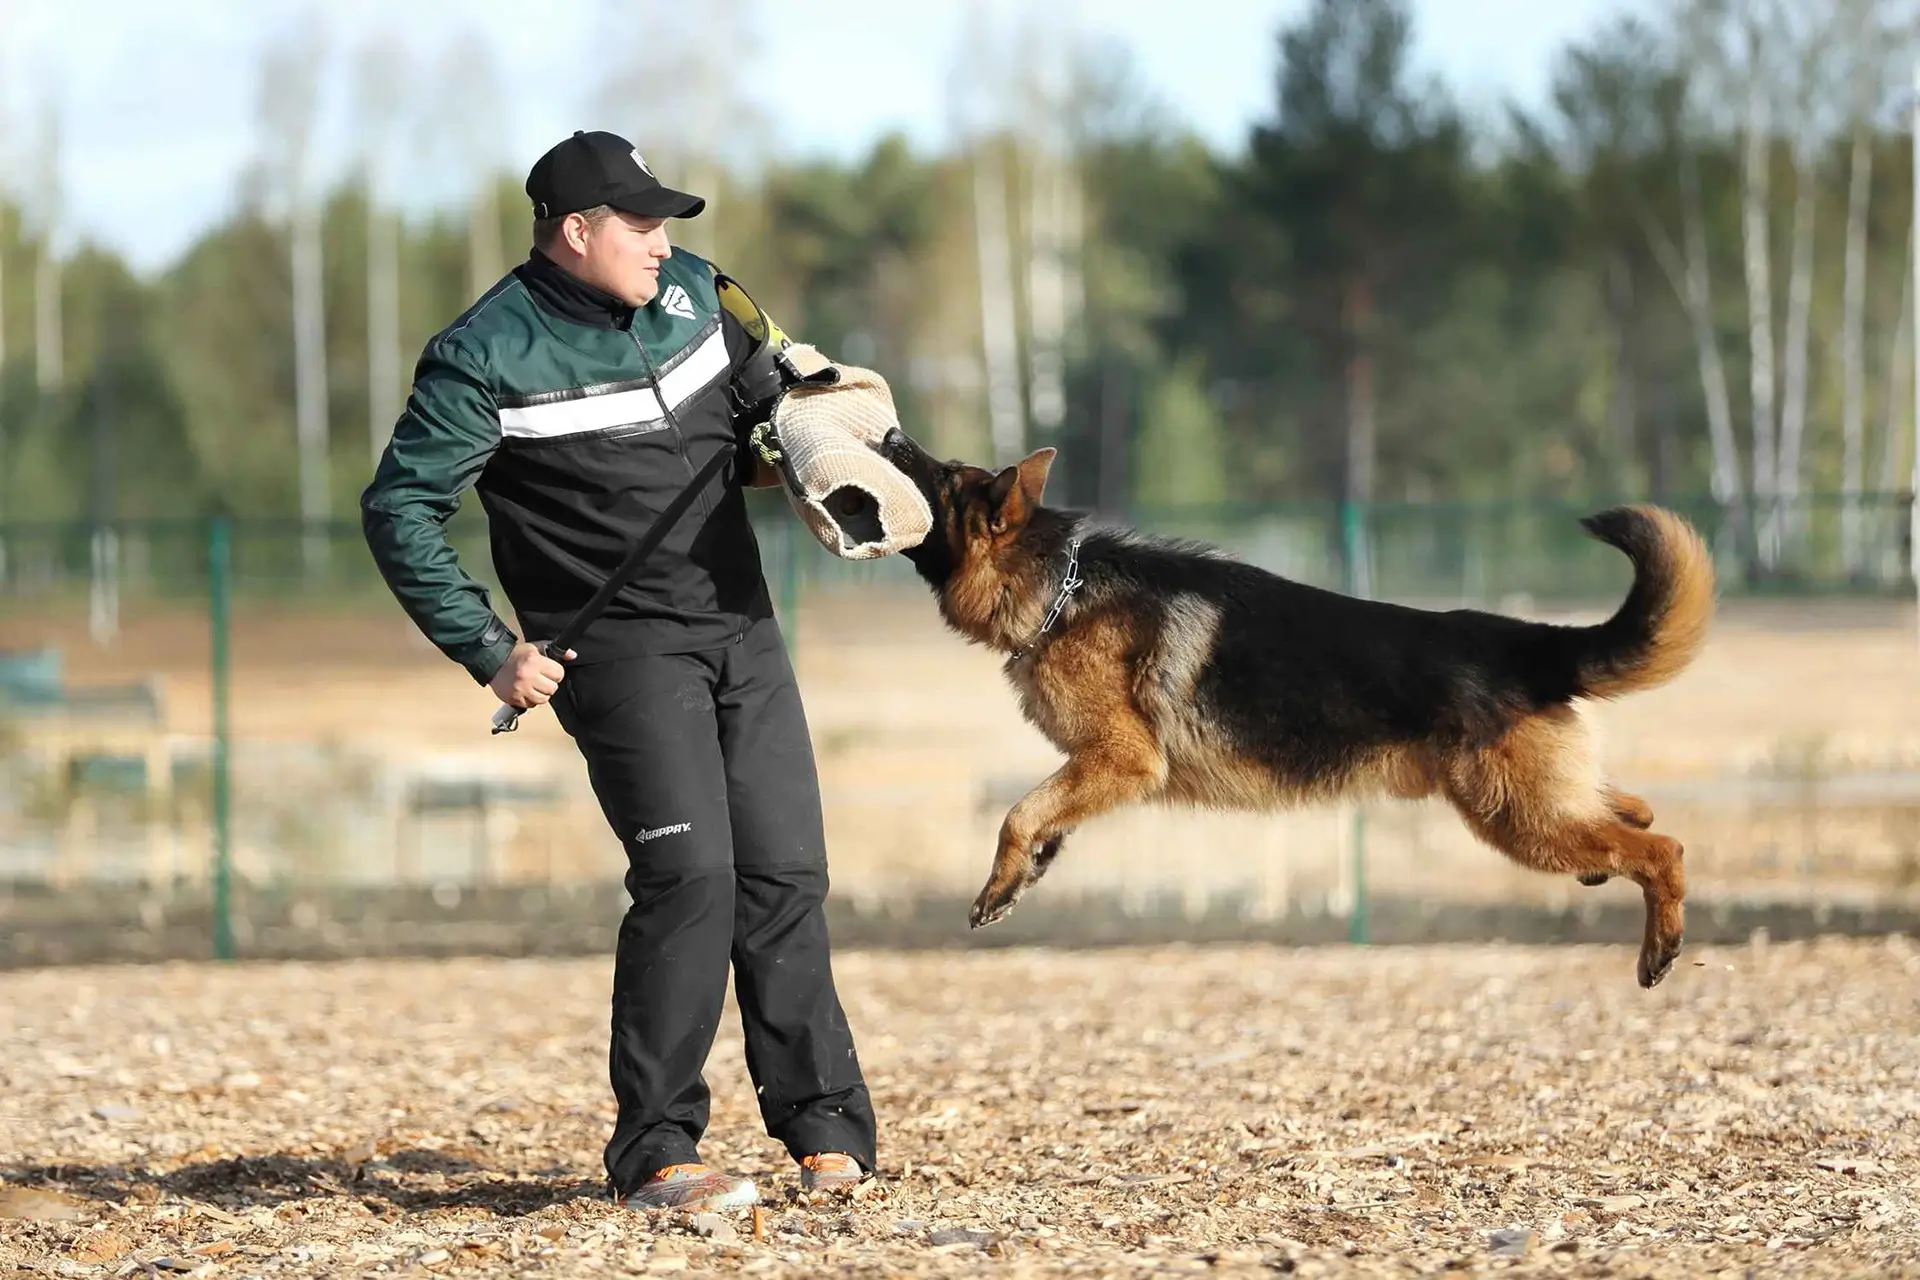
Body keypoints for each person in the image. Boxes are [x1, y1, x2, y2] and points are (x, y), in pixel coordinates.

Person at [360, 129, 877, 1211]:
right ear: (575, 230)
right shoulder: (483, 353)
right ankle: (656, 1150)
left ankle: (826, 1125)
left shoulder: (695, 294)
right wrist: (490, 648)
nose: (661, 241)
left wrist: (816, 436)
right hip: (620, 652)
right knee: (692, 879)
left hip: (740, 623)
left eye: (665, 222)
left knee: (784, 871)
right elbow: (400, 506)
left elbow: (753, 426)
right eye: (638, 223)